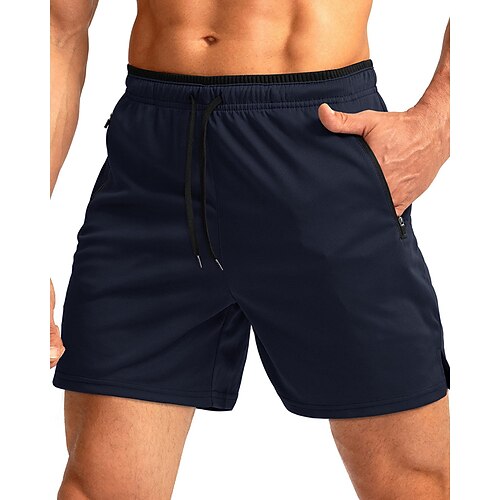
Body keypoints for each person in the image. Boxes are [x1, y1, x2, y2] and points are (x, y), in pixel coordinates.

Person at [50, 1, 450, 498]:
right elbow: (58, 30)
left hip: (320, 143)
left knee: (410, 482)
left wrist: (438, 122)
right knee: (97, 487)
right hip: (152, 167)